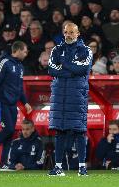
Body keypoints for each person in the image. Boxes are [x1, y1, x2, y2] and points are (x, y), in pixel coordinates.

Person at [47, 22, 93, 176]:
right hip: (59, 96)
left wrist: (64, 65)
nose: (68, 35)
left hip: (77, 96)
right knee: (59, 132)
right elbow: (51, 70)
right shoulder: (56, 49)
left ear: (78, 33)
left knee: (79, 131)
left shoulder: (85, 50)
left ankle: (81, 167)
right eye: (66, 32)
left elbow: (82, 69)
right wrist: (71, 70)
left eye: (71, 32)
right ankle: (58, 167)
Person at [0, 41, 32, 170]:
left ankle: (3, 163)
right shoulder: (4, 62)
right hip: (1, 103)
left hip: (12, 105)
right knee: (8, 129)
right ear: (18, 50)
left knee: (10, 134)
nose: (26, 54)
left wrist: (25, 102)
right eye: (25, 51)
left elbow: (20, 88)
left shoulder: (20, 66)